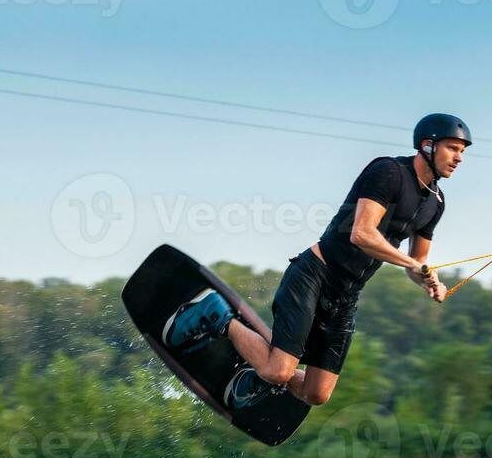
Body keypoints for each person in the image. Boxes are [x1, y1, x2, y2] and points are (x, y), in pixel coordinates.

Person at [161, 113, 471, 410]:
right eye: (453, 149)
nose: (459, 158)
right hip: (314, 275)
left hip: (345, 295)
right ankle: (219, 317)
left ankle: (258, 375)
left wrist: (429, 282)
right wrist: (412, 264)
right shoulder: (389, 172)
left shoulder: (436, 204)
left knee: (316, 393)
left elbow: (417, 262)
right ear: (428, 145)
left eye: (462, 152)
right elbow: (361, 234)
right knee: (280, 371)